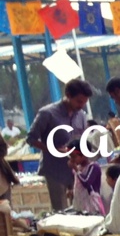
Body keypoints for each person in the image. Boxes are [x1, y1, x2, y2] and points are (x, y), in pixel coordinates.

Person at [27, 78, 91, 212]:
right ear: (68, 95)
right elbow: (31, 139)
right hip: (55, 170)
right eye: (79, 101)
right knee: (60, 211)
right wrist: (52, 149)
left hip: (76, 170)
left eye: (85, 102)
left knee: (80, 208)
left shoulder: (81, 116)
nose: (81, 105)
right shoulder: (47, 113)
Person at [68, 140, 112, 216]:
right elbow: (75, 181)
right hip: (79, 203)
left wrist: (76, 169)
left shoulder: (93, 167)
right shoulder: (78, 168)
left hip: (92, 204)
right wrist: (71, 189)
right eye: (70, 157)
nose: (71, 160)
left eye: (74, 156)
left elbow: (86, 182)